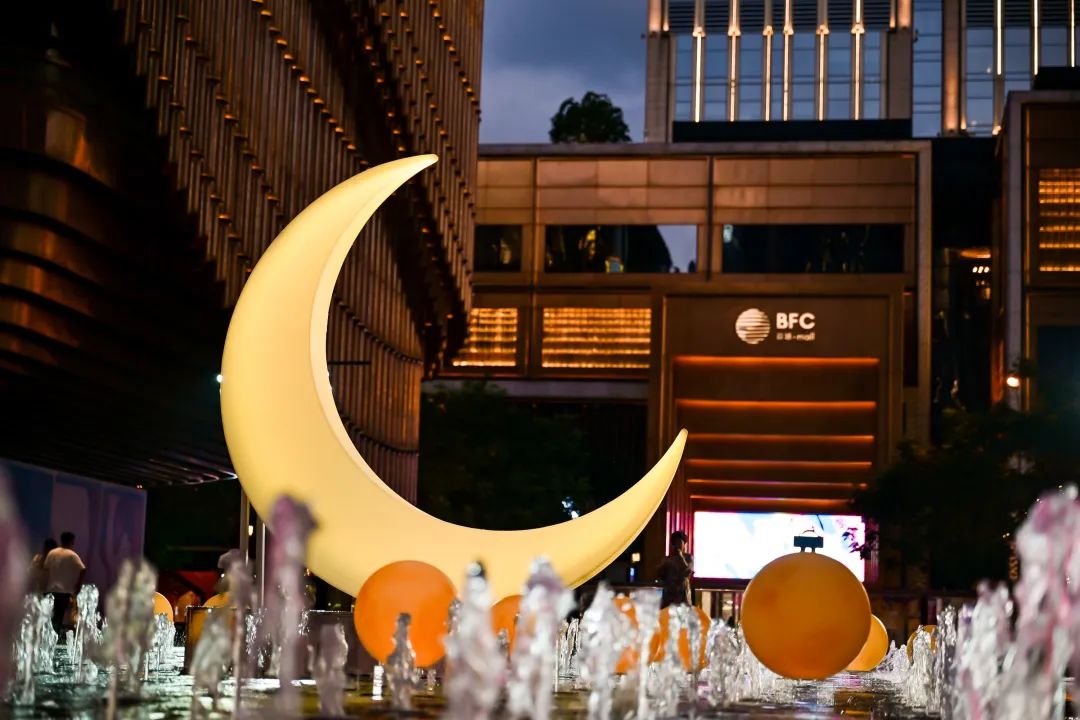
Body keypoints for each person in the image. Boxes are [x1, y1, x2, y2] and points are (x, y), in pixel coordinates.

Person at [44, 531, 86, 633]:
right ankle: (56, 634)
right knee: (59, 614)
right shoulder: (72, 555)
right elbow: (83, 569)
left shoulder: (52, 553)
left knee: (49, 615)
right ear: (71, 541)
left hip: (50, 589)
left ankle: (49, 635)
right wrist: (78, 584)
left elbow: (46, 569)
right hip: (64, 591)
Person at [657, 530, 693, 608]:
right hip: (669, 597)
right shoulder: (667, 559)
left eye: (679, 542)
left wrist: (680, 556)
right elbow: (659, 574)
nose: (677, 545)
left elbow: (687, 572)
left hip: (683, 597)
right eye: (675, 543)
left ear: (684, 544)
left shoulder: (688, 557)